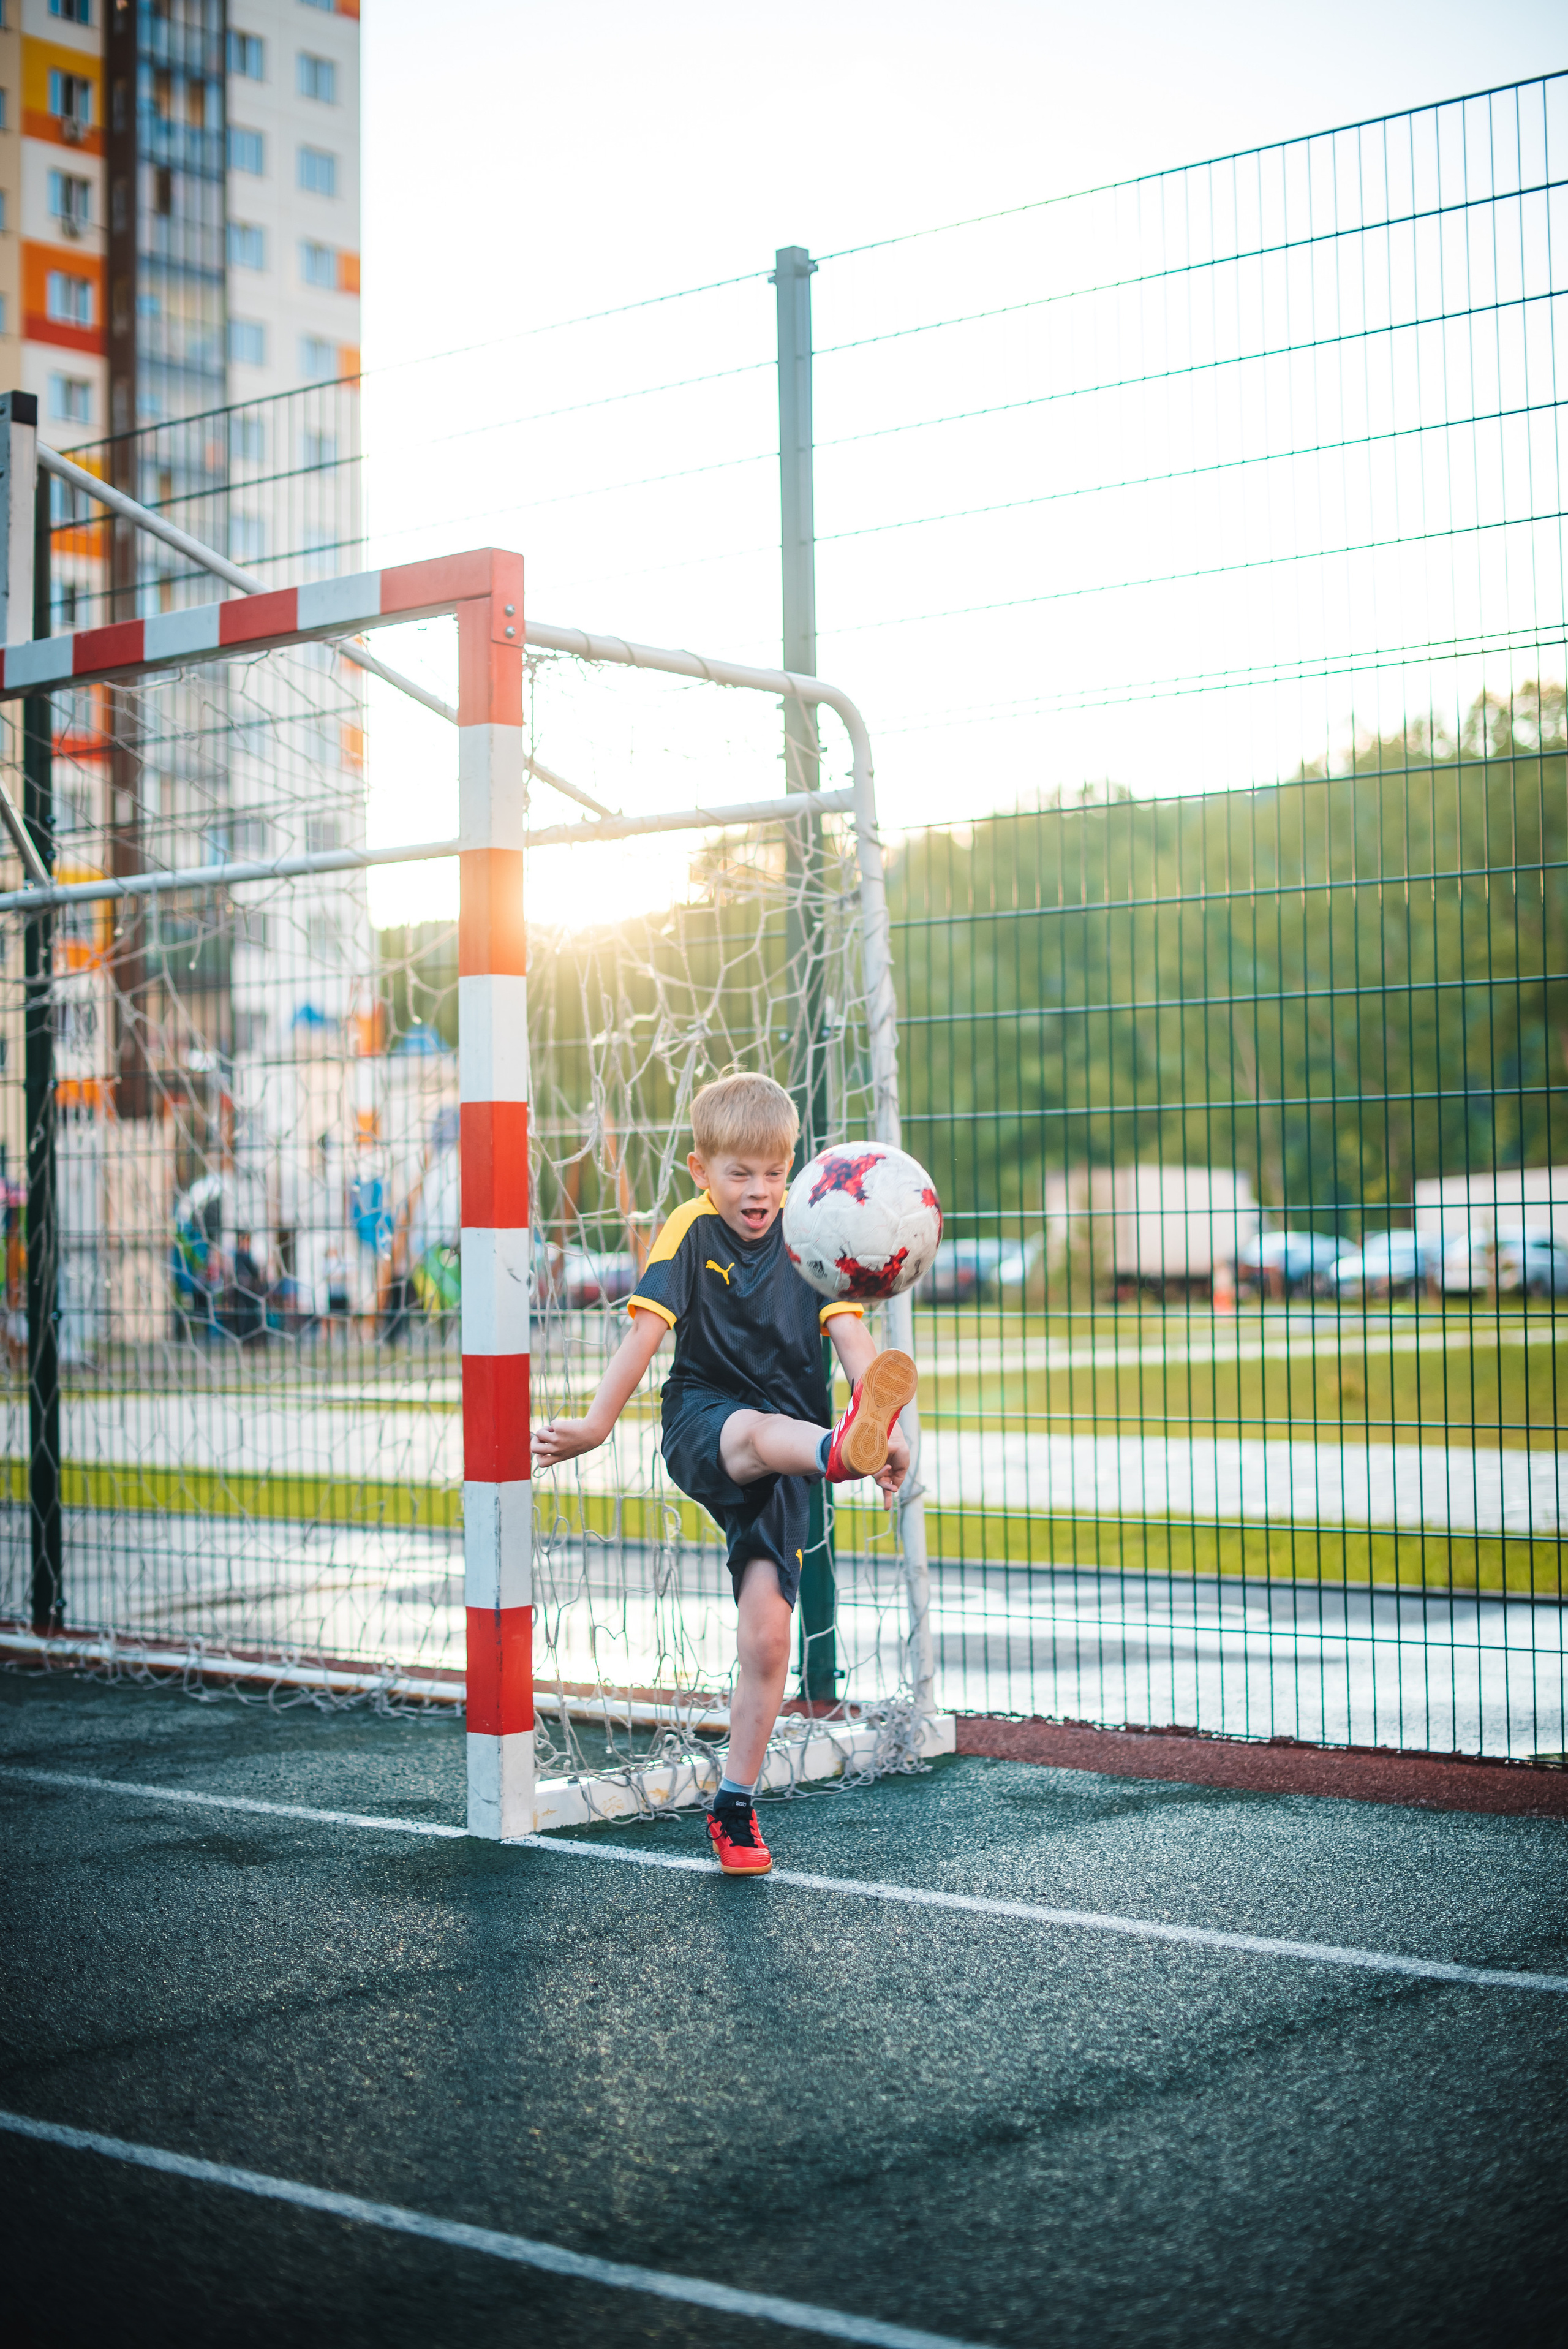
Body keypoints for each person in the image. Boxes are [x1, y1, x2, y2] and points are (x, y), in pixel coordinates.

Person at [532, 1072, 918, 1875]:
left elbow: (855, 1345)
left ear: (792, 1172)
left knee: (768, 1639)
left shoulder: (812, 1232)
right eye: (739, 1173)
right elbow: (642, 1338)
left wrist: (887, 1432)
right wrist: (596, 1427)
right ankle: (837, 1452)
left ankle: (734, 1804)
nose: (759, 1190)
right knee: (760, 1433)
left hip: (795, 1447)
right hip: (708, 1422)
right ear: (700, 1170)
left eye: (774, 1172)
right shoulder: (690, 1228)